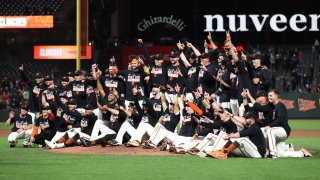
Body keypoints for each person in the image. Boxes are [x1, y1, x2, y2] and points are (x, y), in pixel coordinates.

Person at [265, 89, 312, 158]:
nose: (269, 97)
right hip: (278, 131)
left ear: (276, 96)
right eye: (268, 96)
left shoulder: (280, 106)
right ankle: (302, 153)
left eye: (271, 95)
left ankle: (272, 153)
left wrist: (270, 126)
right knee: (281, 154)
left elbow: (280, 119)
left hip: (283, 130)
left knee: (269, 130)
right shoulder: (275, 106)